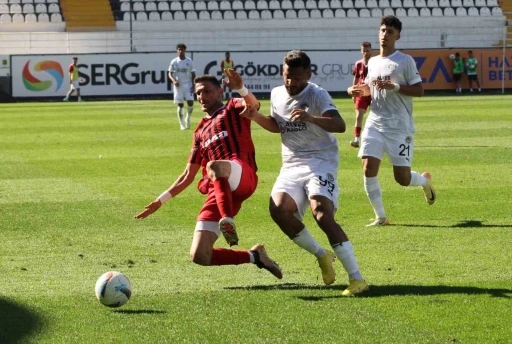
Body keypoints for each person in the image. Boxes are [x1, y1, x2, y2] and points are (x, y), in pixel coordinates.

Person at [242, 50, 368, 297]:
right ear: (282, 72)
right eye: (288, 76)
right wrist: (256, 116)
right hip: (291, 163)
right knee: (278, 209)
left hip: (320, 161)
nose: (291, 82)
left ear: (308, 75)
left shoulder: (317, 94)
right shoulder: (277, 93)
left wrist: (312, 118)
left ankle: (357, 278)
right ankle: (322, 255)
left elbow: (340, 125)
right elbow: (278, 126)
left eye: (297, 78)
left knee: (321, 213)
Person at [135, 69, 282, 280]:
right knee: (200, 255)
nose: (202, 97)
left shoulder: (232, 108)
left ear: (220, 91)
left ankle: (226, 219)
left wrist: (240, 88)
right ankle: (255, 256)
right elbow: (188, 175)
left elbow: (254, 105)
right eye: (198, 93)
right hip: (219, 190)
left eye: (207, 91)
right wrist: (160, 201)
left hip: (242, 175)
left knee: (214, 165)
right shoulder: (200, 132)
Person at [347, 15, 436, 227]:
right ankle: (381, 217)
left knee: (402, 179)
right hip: (375, 122)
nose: (385, 35)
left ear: (398, 36)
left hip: (398, 126)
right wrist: (355, 90)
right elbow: (370, 87)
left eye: (390, 32)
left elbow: (419, 90)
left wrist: (394, 87)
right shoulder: (373, 61)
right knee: (368, 167)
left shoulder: (404, 61)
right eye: (383, 30)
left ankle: (424, 181)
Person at [350, 41, 373, 148]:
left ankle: (375, 138)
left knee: (376, 116)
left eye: (367, 51)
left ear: (371, 51)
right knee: (359, 116)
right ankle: (356, 139)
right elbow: (356, 78)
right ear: (361, 51)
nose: (366, 53)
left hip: (373, 93)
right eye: (364, 51)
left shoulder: (375, 62)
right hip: (360, 92)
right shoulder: (358, 64)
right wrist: (354, 92)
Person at [168, 43, 196, 130]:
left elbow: (193, 73)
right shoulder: (174, 61)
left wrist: (194, 84)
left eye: (182, 49)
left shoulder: (189, 61)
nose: (180, 51)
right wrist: (174, 81)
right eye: (179, 49)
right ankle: (182, 124)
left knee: (190, 102)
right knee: (180, 105)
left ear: (185, 50)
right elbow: (170, 73)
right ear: (177, 51)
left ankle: (187, 118)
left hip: (188, 84)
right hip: (178, 86)